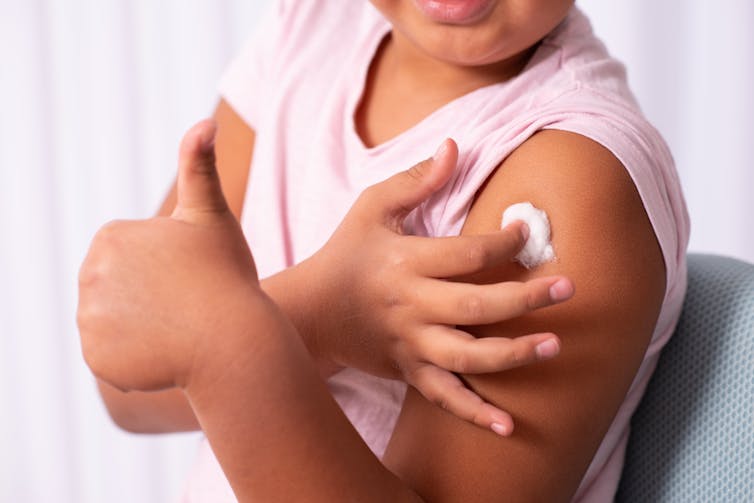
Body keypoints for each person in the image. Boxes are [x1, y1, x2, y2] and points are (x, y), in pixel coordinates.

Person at [77, 0, 689, 501]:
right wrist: (313, 321)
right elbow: (127, 380)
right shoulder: (310, 31)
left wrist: (229, 340)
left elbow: (168, 342)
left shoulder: (574, 177)